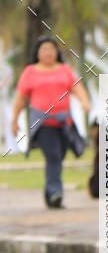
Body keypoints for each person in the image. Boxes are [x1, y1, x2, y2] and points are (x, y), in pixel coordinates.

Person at [12, 37, 90, 208]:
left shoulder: (65, 69)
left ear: (56, 52)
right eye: (44, 49)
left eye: (51, 49)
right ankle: (56, 192)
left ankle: (50, 195)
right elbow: (20, 99)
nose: (48, 52)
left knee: (59, 156)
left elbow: (77, 88)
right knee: (53, 155)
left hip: (64, 121)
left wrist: (85, 102)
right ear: (38, 53)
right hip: (42, 123)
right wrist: (14, 121)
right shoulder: (30, 72)